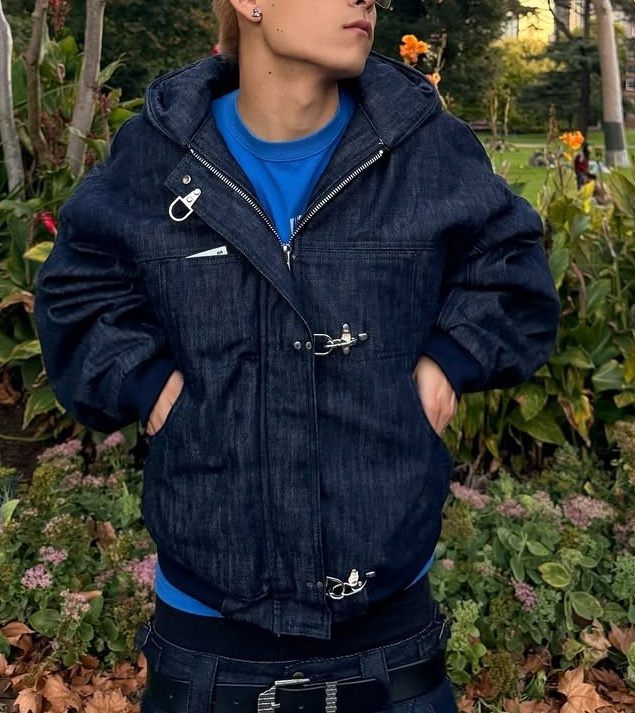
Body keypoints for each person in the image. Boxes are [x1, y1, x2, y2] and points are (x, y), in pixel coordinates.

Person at [34, 0, 560, 711]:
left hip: (392, 646)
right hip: (208, 647)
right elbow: (78, 292)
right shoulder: (161, 154)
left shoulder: (423, 146)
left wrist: (446, 364)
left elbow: (511, 271)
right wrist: (151, 385)